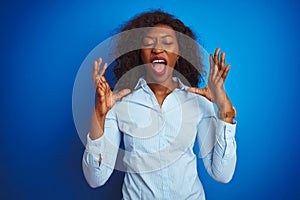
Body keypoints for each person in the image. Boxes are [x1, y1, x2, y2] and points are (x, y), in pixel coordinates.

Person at [82, 10, 237, 200]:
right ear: (139, 53)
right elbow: (95, 178)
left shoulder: (198, 102)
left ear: (179, 53)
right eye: (148, 43)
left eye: (167, 42)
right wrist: (98, 115)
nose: (157, 49)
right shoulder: (120, 103)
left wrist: (224, 111)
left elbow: (222, 173)